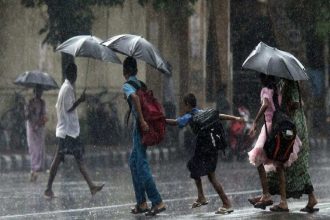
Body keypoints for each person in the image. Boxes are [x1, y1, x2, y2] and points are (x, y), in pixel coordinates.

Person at [166, 93, 243, 214]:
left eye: (184, 105)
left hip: (204, 148)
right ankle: (201, 196)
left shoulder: (190, 116)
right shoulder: (203, 112)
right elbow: (219, 115)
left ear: (187, 104)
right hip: (211, 147)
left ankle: (226, 203)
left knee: (210, 176)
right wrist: (235, 118)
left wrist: (161, 121)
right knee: (194, 167)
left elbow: (176, 122)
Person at [44, 63, 104, 198]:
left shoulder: (65, 88)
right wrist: (80, 100)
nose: (76, 76)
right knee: (61, 159)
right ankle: (48, 188)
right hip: (67, 132)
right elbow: (68, 108)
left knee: (76, 159)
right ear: (73, 74)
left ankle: (91, 186)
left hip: (68, 131)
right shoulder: (67, 89)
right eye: (75, 73)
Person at [248, 74, 300, 212]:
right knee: (279, 165)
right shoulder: (277, 90)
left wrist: (255, 121)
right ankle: (283, 202)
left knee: (258, 160)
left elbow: (265, 104)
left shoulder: (265, 90)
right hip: (280, 126)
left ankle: (266, 195)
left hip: (270, 127)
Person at [122, 57, 166, 216]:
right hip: (142, 126)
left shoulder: (127, 85)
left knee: (141, 164)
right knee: (133, 162)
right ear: (136, 70)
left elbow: (134, 98)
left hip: (140, 128)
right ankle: (141, 202)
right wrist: (132, 112)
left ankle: (157, 201)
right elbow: (138, 100)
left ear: (125, 72)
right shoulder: (141, 84)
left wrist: (140, 120)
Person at [267, 79, 318, 213]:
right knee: (298, 165)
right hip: (293, 123)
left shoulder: (291, 84)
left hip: (293, 125)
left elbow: (297, 103)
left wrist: (287, 107)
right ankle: (311, 198)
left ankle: (283, 202)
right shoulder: (285, 84)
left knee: (284, 162)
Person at [25, 85, 47, 182]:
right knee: (32, 147)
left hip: (39, 128)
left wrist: (38, 124)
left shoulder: (42, 103)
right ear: (35, 92)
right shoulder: (30, 102)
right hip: (30, 127)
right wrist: (30, 110)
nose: (39, 93)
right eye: (38, 91)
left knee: (39, 147)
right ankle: (33, 168)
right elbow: (26, 115)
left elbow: (44, 115)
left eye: (40, 91)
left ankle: (37, 168)